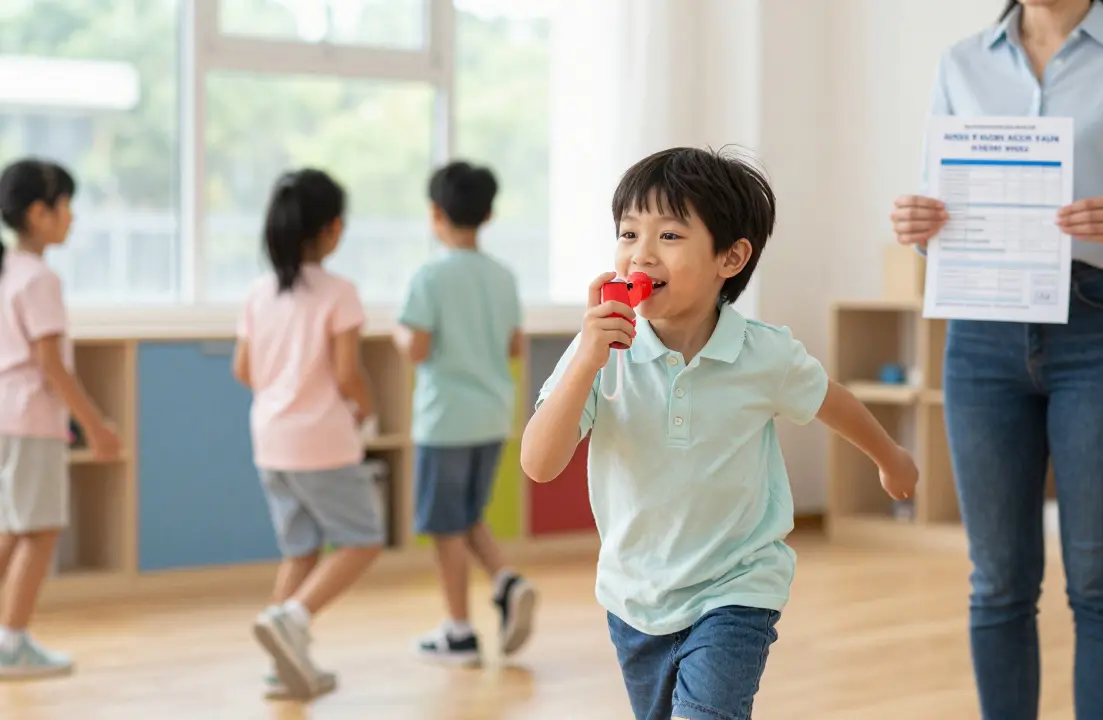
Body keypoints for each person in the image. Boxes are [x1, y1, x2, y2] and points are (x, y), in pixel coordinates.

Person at [524, 146, 920, 720]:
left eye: (669, 236)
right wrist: (587, 357)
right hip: (635, 596)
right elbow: (539, 463)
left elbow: (833, 402)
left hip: (737, 586)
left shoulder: (765, 353)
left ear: (730, 259)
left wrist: (890, 457)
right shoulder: (598, 352)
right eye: (629, 233)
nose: (641, 254)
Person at [889, 1, 1103, 718]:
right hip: (981, 334)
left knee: (1099, 580)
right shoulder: (961, 62)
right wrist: (918, 225)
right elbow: (940, 211)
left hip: (1100, 328)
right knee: (997, 581)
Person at [233, 168, 385, 700]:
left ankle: (282, 668)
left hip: (269, 441)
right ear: (332, 229)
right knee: (364, 540)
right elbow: (347, 375)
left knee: (299, 550)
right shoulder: (339, 292)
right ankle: (293, 619)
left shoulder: (258, 292)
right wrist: (368, 409)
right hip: (321, 441)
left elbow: (242, 369)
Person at [396, 160, 537, 665]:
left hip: (446, 419)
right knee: (467, 515)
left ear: (436, 213)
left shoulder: (429, 276)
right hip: (493, 416)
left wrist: (400, 335)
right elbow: (516, 347)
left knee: (445, 527)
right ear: (490, 213)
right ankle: (507, 580)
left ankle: (458, 631)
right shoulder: (503, 276)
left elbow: (415, 349)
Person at [0, 159, 121, 679]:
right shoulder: (39, 278)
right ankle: (12, 641)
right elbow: (50, 365)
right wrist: (94, 425)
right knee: (40, 531)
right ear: (38, 213)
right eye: (67, 206)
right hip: (30, 417)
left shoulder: (7, 270)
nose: (72, 217)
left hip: (6, 414)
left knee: (10, 529)